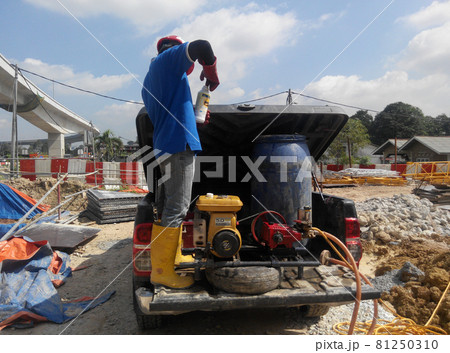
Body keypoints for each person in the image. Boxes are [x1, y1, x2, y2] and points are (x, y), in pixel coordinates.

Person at [141, 35, 219, 288]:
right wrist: (212, 72)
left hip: (166, 144)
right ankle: (163, 273)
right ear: (174, 50)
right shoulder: (166, 61)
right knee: (178, 207)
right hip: (177, 146)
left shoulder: (153, 80)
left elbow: (169, 113)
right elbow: (202, 46)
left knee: (165, 208)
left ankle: (168, 260)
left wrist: (195, 119)